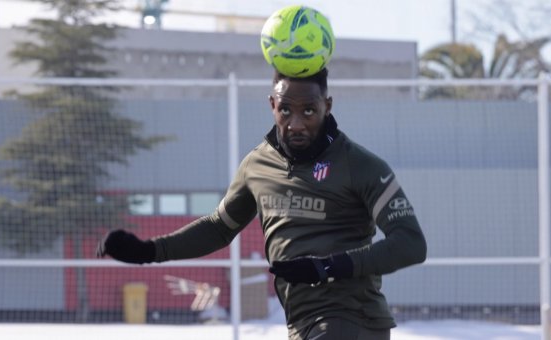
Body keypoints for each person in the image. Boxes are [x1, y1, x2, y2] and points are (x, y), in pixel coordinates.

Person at [97, 68, 427, 340]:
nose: (296, 123)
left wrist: (326, 267)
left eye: (309, 111)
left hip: (352, 322)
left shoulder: (361, 165)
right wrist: (150, 251)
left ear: (328, 105)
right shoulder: (257, 166)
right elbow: (218, 228)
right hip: (303, 323)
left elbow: (411, 244)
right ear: (272, 105)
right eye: (286, 110)